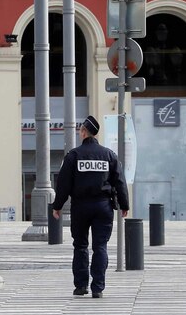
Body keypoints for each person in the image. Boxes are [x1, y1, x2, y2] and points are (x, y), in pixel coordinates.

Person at [53, 115, 129, 298]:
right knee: (100, 247)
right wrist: (124, 205)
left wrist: (58, 206)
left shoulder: (73, 155)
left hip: (80, 207)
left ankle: (80, 286)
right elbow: (120, 182)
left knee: (80, 246)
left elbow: (63, 184)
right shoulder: (109, 155)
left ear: (84, 132)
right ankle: (98, 288)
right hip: (103, 207)